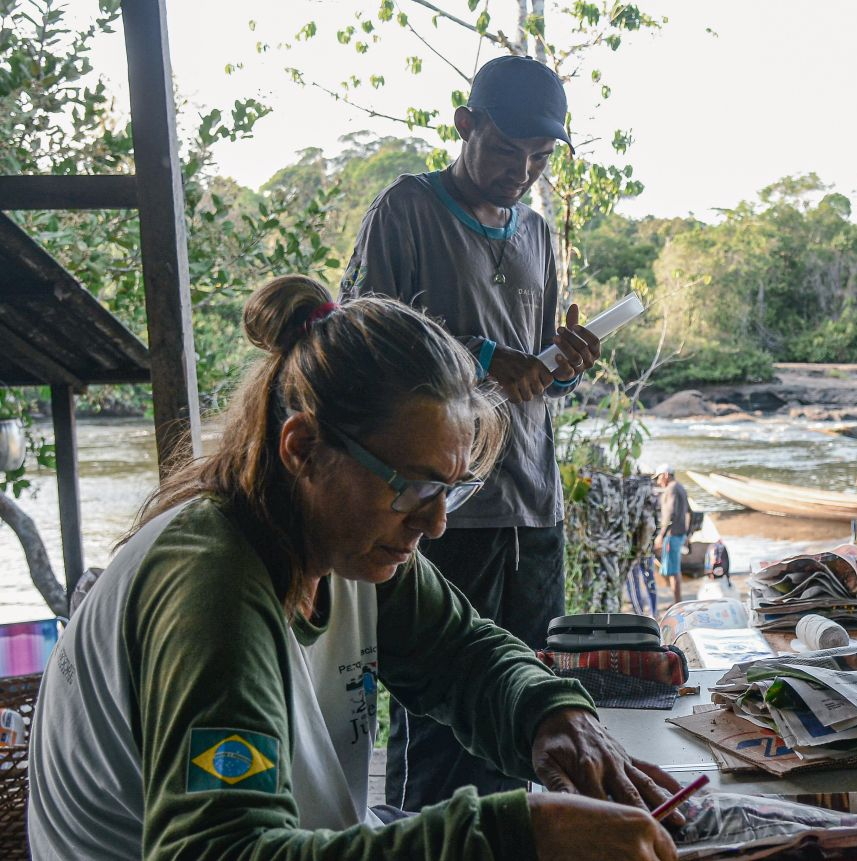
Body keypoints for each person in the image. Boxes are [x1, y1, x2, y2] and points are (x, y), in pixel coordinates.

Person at [26, 277, 680, 860]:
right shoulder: (212, 585)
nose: (435, 524)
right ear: (303, 447)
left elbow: (463, 654)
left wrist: (553, 716)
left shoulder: (341, 539)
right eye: (414, 488)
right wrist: (516, 831)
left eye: (449, 491)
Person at [339, 55, 602, 809]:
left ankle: (517, 836)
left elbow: (537, 373)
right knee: (440, 714)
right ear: (464, 126)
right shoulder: (406, 210)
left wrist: (565, 362)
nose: (521, 171)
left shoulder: (540, 235)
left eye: (539, 159)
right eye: (505, 150)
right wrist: (488, 357)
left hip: (530, 502)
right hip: (440, 506)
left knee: (527, 702)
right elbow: (362, 338)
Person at [654, 464, 690, 606]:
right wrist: (688, 534)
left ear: (666, 475)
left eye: (659, 477)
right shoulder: (680, 487)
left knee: (673, 571)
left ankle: (677, 603)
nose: (658, 481)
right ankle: (677, 600)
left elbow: (670, 514)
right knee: (673, 569)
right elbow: (690, 512)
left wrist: (661, 536)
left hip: (672, 534)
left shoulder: (671, 489)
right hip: (680, 533)